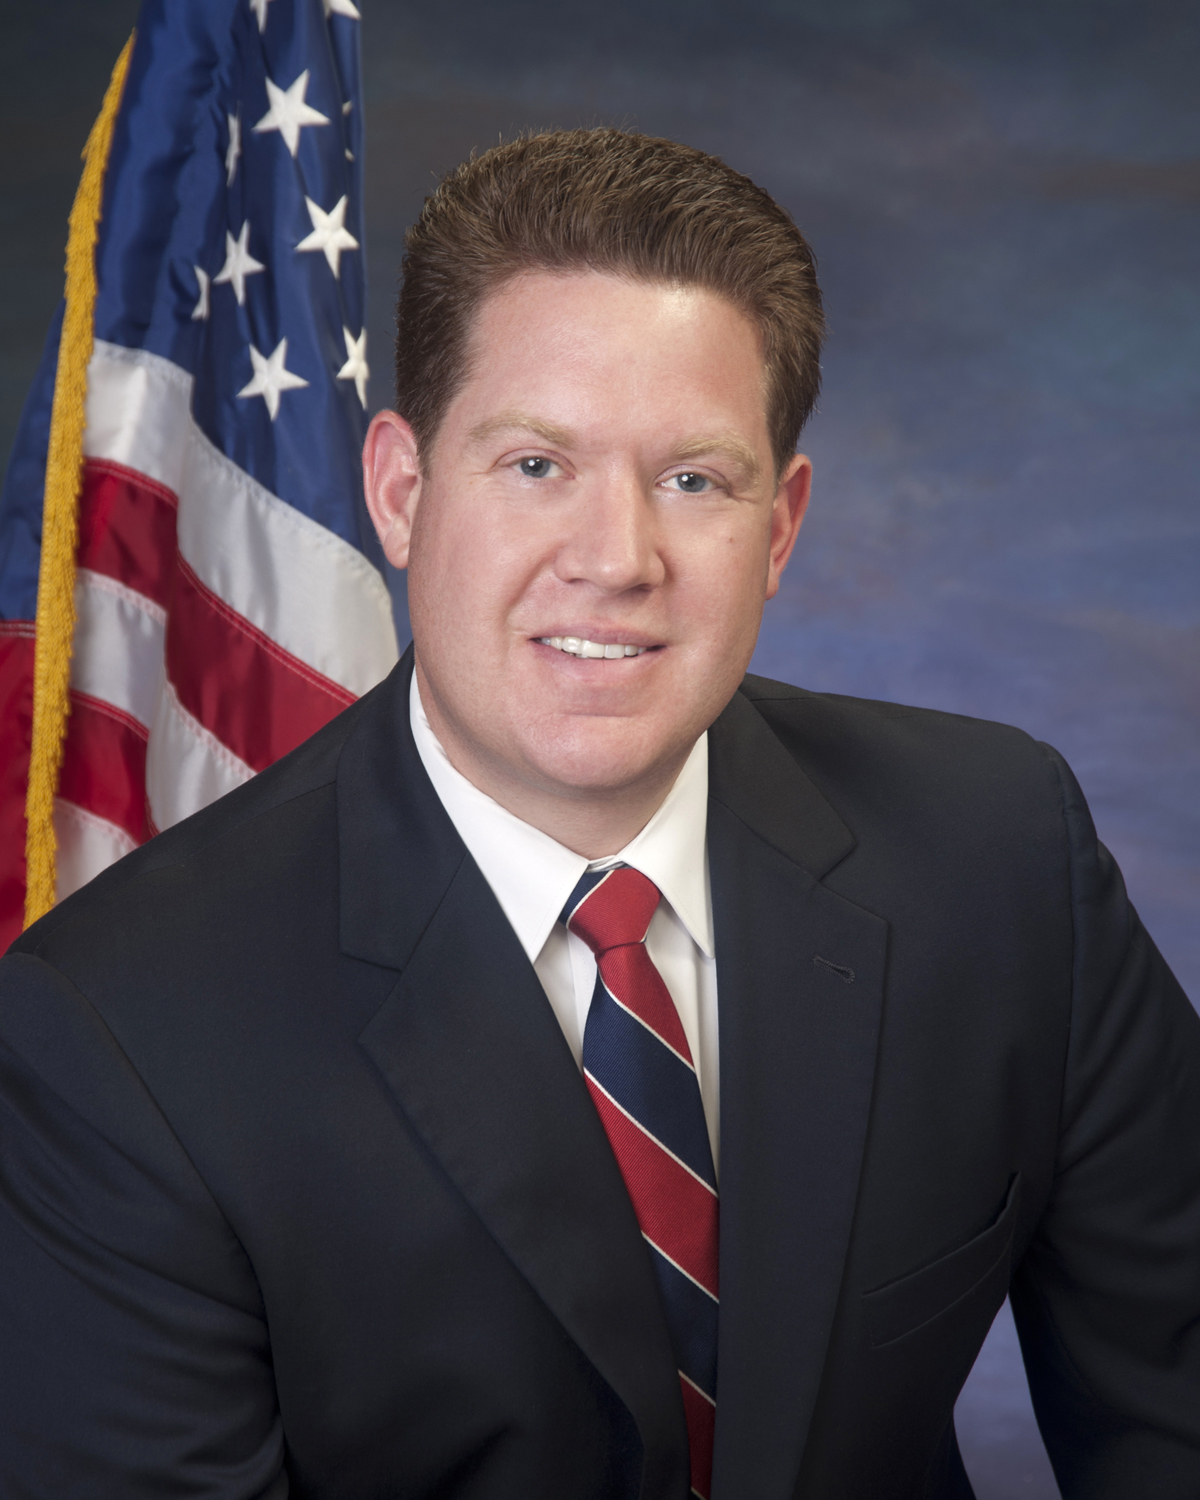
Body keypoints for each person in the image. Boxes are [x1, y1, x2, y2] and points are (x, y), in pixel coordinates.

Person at [1, 127, 1198, 1500]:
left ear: (780, 526)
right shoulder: (120, 1031)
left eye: (694, 480)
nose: (618, 559)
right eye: (536, 465)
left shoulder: (1000, 857)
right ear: (401, 493)